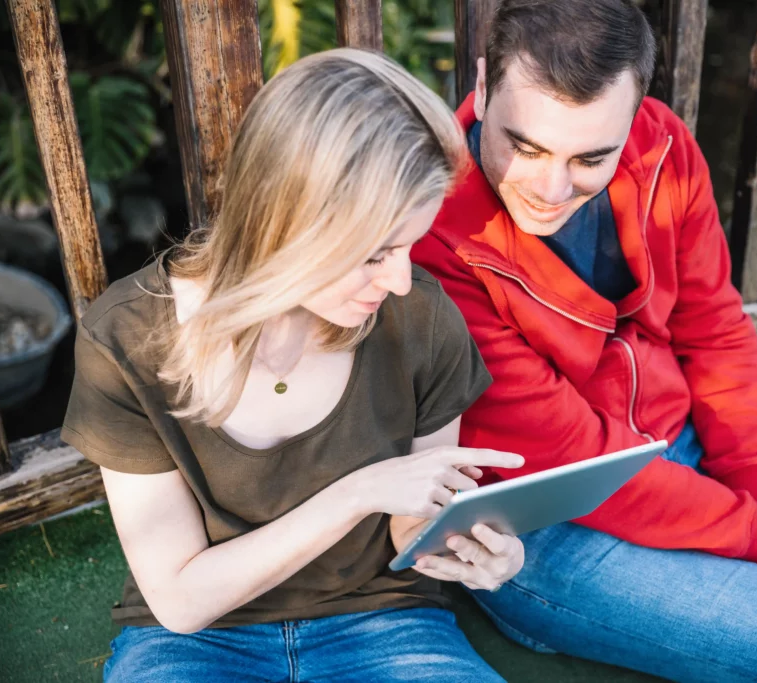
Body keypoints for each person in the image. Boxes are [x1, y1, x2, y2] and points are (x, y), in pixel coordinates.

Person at [411, 1, 757, 681]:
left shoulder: (663, 144)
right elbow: (568, 452)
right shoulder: (432, 232)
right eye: (524, 146)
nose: (550, 188)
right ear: (482, 82)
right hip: (544, 522)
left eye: (591, 157)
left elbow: (715, 328)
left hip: (678, 447)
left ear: (635, 112)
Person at [60, 49, 526, 683]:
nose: (398, 280)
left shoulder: (420, 316)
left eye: (409, 246)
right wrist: (357, 493)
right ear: (285, 223)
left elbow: (410, 528)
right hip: (197, 640)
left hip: (383, 618)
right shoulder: (127, 338)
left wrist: (469, 548)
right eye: (373, 255)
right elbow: (182, 601)